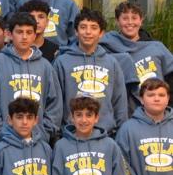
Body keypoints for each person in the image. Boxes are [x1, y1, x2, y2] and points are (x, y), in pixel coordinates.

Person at [0, 13, 62, 143]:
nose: (24, 37)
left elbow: (55, 104)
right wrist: (1, 132)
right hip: (4, 141)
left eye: (29, 32)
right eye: (19, 32)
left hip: (38, 142)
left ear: (35, 35)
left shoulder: (45, 66)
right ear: (9, 34)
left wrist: (43, 133)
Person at [53, 8, 128, 136]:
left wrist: (121, 132)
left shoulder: (111, 63)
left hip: (106, 134)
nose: (88, 32)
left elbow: (119, 101)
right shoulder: (62, 62)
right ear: (76, 31)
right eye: (83, 27)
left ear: (101, 33)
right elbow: (56, 102)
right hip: (72, 134)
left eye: (94, 28)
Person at [100, 0, 173, 99]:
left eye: (134, 18)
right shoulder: (106, 48)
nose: (130, 22)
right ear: (117, 21)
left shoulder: (156, 47)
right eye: (125, 18)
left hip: (157, 104)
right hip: (127, 106)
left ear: (141, 20)